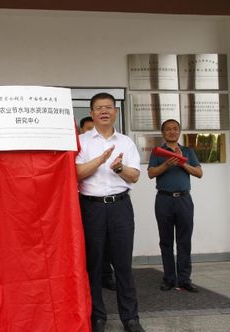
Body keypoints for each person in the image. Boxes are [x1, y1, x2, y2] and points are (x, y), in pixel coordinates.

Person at [76, 93, 145, 332]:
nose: (104, 111)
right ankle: (97, 317)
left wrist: (119, 168)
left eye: (108, 107)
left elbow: (134, 175)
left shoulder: (126, 142)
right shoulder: (81, 141)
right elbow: (75, 174)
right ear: (92, 113)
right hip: (91, 208)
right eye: (98, 108)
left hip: (120, 207)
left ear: (115, 112)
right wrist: (101, 160)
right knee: (93, 265)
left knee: (123, 264)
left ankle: (131, 318)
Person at [147, 119, 203, 293]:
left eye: (175, 129)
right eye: (168, 129)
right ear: (163, 133)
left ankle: (184, 279)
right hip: (164, 200)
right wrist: (166, 164)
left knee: (184, 240)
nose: (172, 132)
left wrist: (182, 163)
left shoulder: (187, 151)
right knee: (166, 241)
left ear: (179, 132)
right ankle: (169, 279)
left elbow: (199, 173)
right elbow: (150, 173)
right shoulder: (158, 152)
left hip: (184, 200)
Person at [80, 115, 116, 291]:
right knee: (92, 244)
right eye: (87, 129)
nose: (91, 132)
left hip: (112, 203)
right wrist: (100, 160)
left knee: (109, 242)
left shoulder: (116, 144)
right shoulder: (80, 146)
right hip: (86, 201)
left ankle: (107, 275)